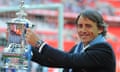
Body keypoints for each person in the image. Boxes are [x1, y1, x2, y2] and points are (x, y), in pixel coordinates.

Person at [26, 9, 116, 72]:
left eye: (88, 26)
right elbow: (55, 61)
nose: (83, 30)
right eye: (80, 26)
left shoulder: (104, 50)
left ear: (100, 29)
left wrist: (39, 44)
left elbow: (68, 60)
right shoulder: (80, 47)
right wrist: (27, 51)